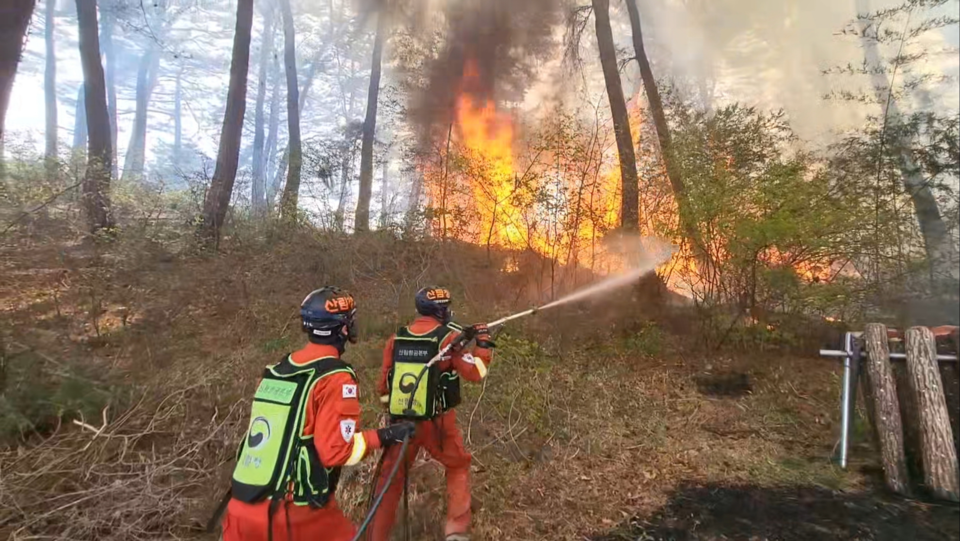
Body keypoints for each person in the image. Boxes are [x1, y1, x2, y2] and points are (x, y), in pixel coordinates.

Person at [222, 287, 415, 541]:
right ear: (343, 328)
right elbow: (336, 451)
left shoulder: (277, 370)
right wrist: (384, 436)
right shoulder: (335, 378)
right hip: (292, 513)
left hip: (239, 508)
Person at [369, 286, 495, 541]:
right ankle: (456, 533)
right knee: (458, 465)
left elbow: (383, 387)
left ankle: (375, 535)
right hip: (438, 422)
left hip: (402, 423)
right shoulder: (447, 340)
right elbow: (475, 373)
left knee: (389, 480)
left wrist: (392, 415)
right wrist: (483, 345)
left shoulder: (397, 338)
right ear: (442, 310)